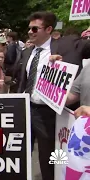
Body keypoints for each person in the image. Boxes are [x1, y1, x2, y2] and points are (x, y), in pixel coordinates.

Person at [16, 11, 90, 180]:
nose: (29, 32)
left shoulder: (68, 45)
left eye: (35, 29)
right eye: (29, 28)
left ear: (48, 29)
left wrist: (60, 66)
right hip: (26, 109)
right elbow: (20, 79)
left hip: (51, 112)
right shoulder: (27, 53)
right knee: (21, 150)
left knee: (51, 155)